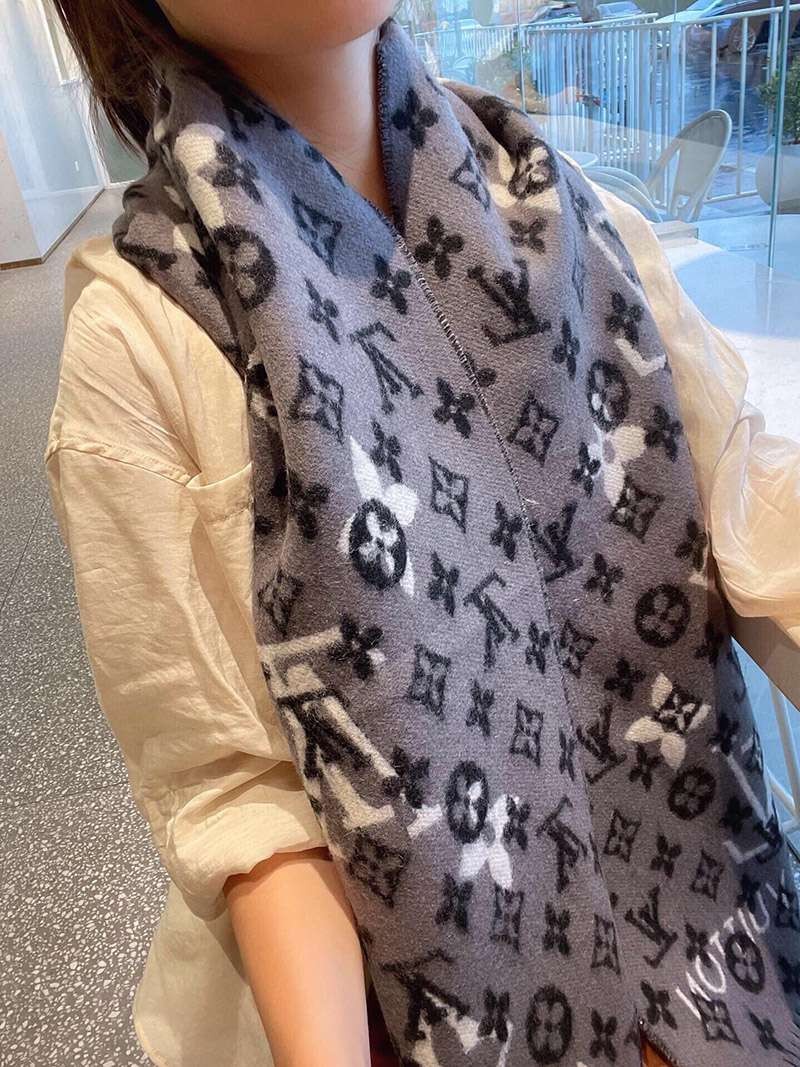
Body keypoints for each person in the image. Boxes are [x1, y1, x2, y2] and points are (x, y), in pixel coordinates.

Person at [43, 2, 800, 1066]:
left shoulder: (570, 216)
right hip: (389, 1010)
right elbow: (239, 790)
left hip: (724, 941)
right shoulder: (141, 332)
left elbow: (749, 515)